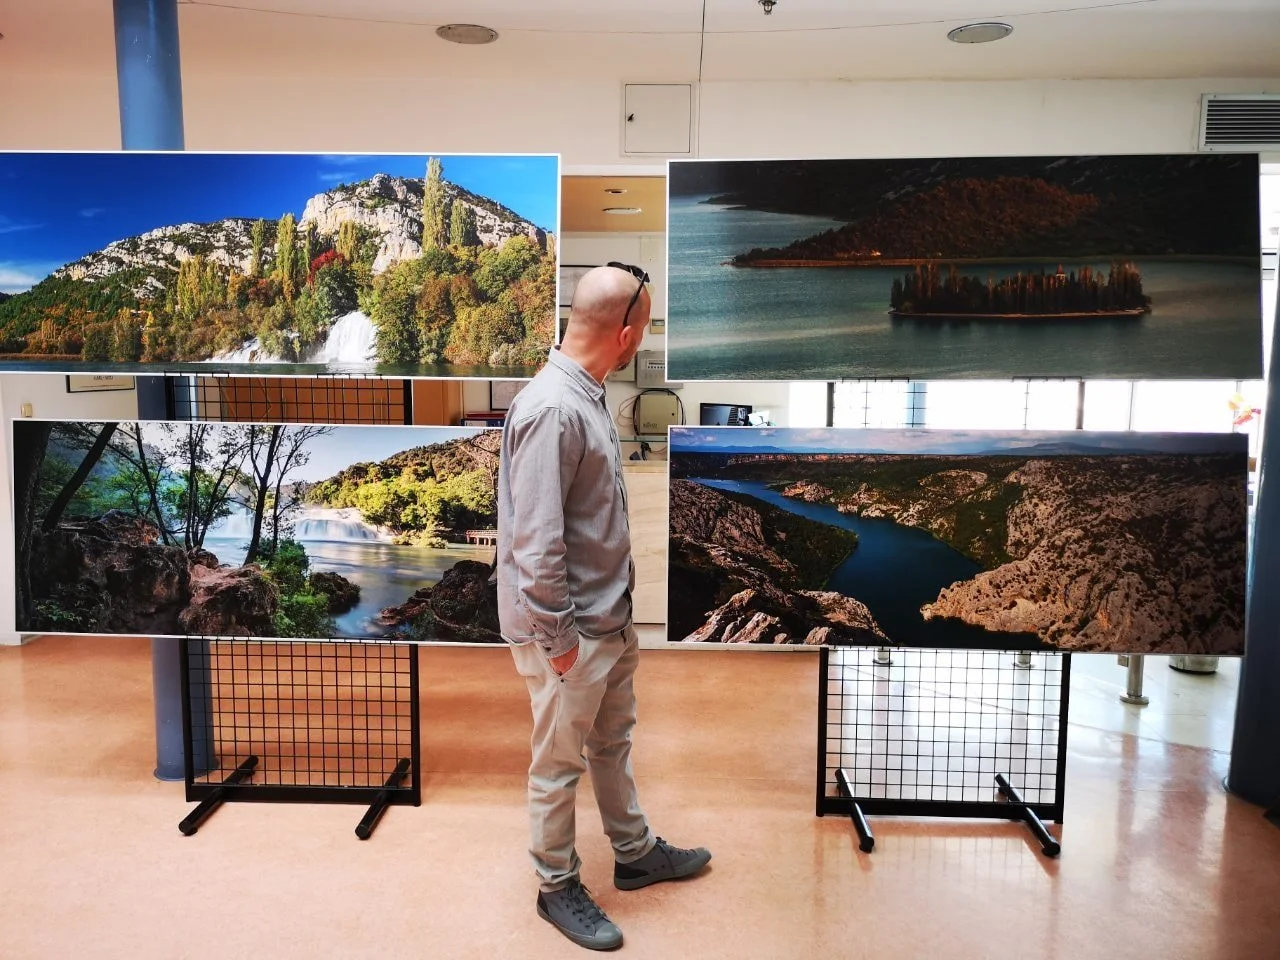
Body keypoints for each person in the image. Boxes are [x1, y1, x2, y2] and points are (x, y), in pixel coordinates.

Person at [497, 263, 711, 951]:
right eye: (643, 331)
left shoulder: (584, 395)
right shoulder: (553, 407)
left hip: (606, 622)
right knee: (558, 764)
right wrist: (559, 640)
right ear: (624, 334)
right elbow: (535, 544)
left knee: (612, 744)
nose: (641, 343)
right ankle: (555, 887)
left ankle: (636, 852)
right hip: (570, 633)